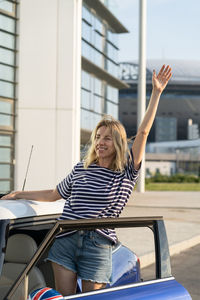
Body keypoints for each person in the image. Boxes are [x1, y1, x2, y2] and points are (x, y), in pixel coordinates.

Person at [1, 65, 172, 296]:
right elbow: (54, 194)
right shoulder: (82, 168)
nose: (101, 142)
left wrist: (156, 93)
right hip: (64, 238)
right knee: (67, 298)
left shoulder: (126, 171)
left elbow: (142, 134)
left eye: (108, 138)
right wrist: (19, 194)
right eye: (98, 137)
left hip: (98, 243)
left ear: (119, 143)